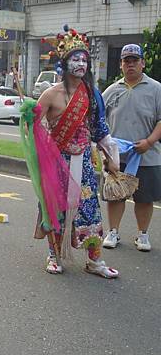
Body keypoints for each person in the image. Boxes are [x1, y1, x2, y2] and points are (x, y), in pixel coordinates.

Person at [31, 25, 119, 278]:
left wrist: (111, 158)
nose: (81, 64)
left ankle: (95, 260)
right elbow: (34, 128)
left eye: (84, 59)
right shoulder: (50, 94)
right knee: (54, 209)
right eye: (75, 59)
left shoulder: (92, 95)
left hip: (86, 164)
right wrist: (29, 118)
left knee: (90, 210)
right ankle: (54, 255)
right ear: (64, 62)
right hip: (57, 163)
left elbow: (100, 129)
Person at [102, 44, 161, 252]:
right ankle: (113, 231)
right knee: (115, 194)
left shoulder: (156, 89)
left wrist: (149, 142)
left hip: (147, 155)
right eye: (126, 61)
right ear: (121, 65)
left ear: (143, 63)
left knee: (144, 198)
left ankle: (142, 234)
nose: (131, 64)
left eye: (135, 60)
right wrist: (105, 149)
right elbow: (99, 119)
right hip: (118, 155)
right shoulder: (111, 90)